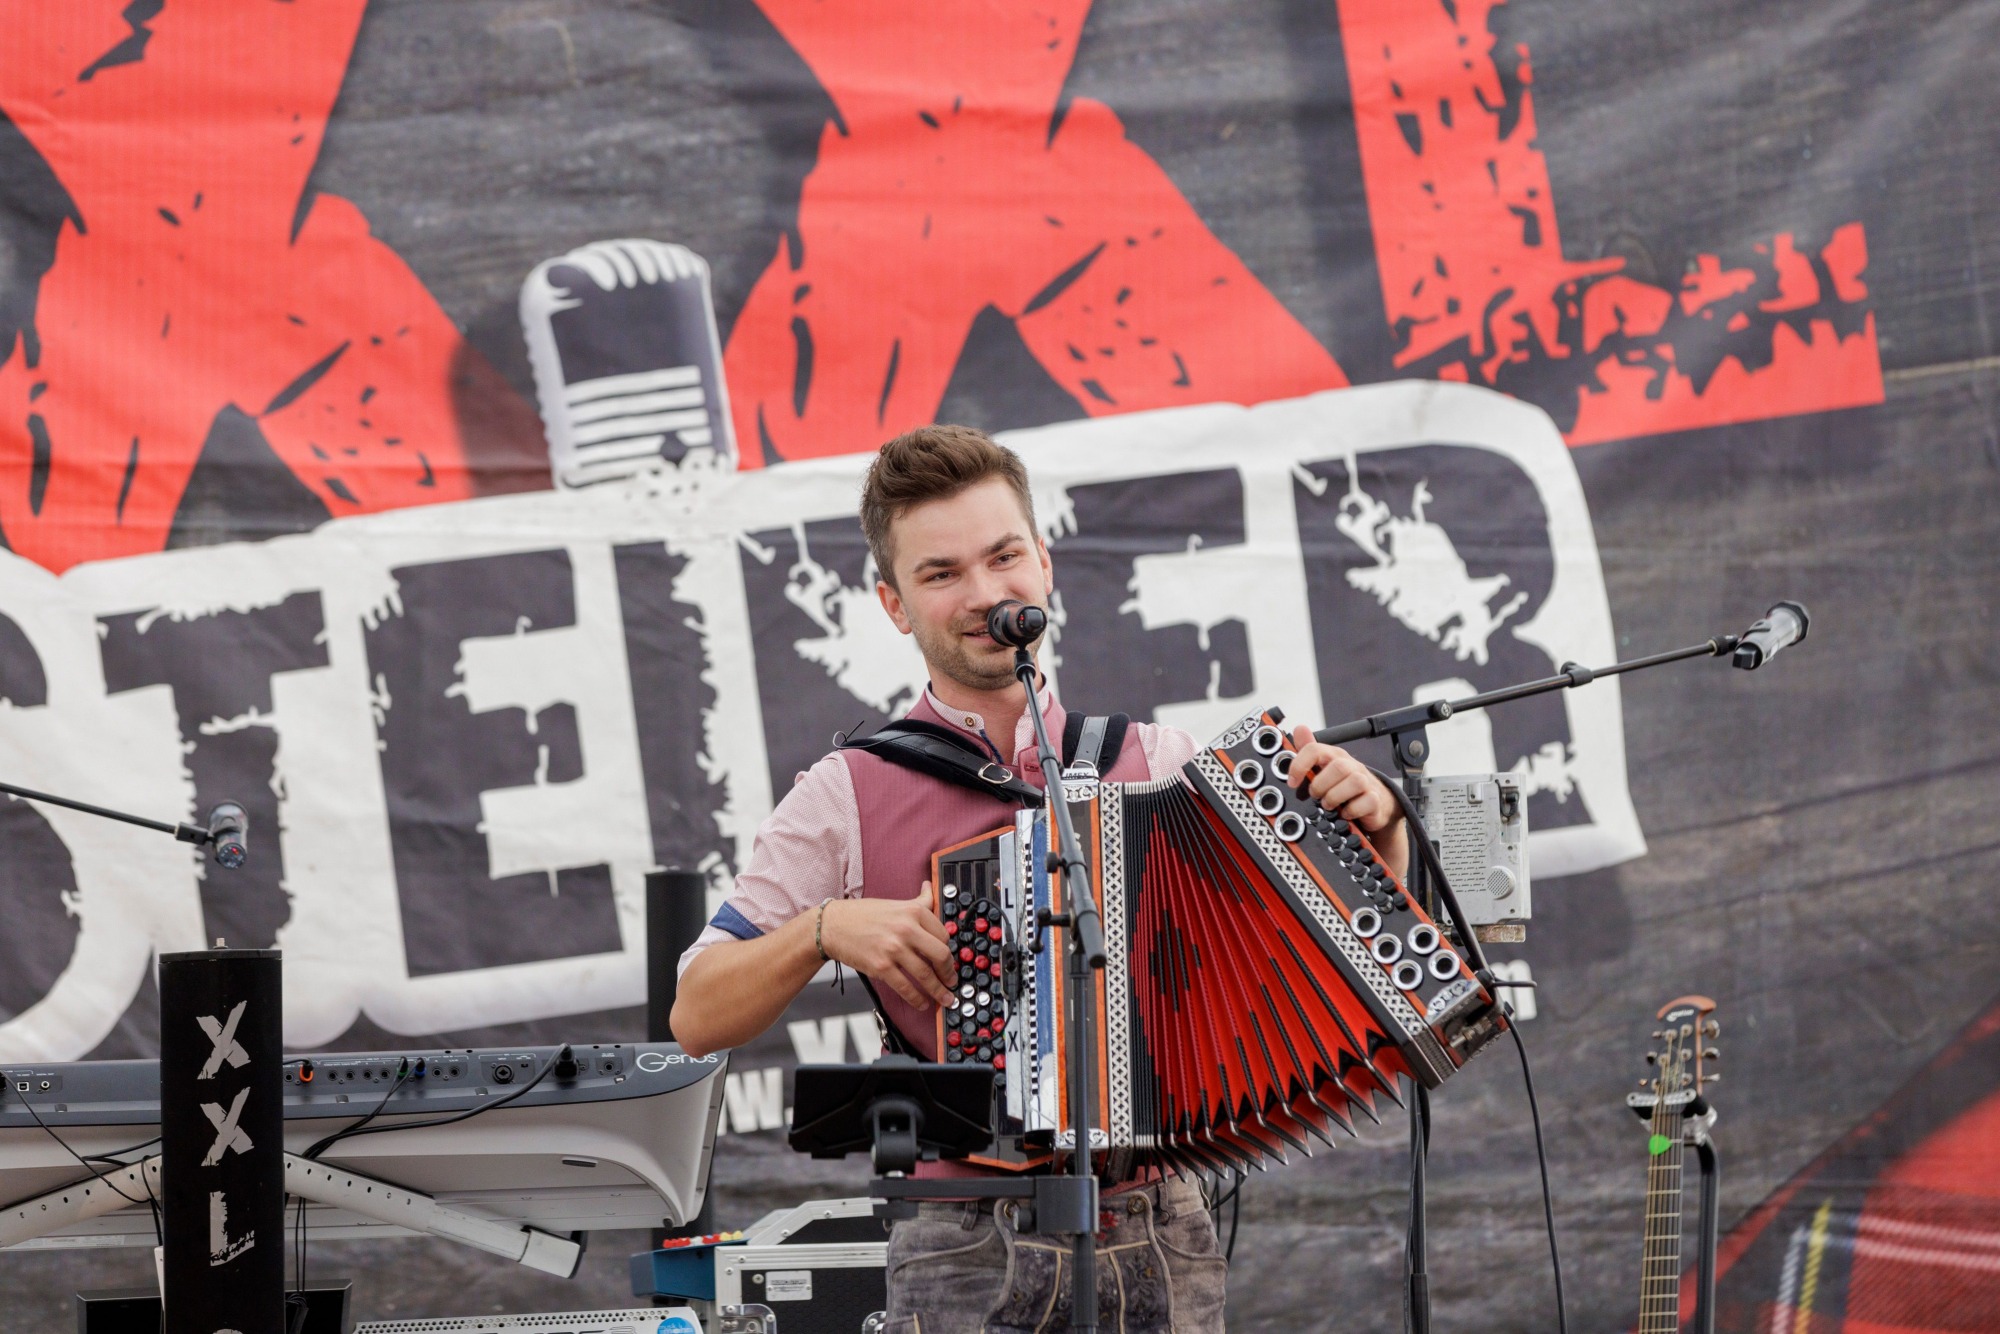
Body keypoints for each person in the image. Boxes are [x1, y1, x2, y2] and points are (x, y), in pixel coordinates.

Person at [672, 424, 1410, 1333]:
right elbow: (697, 1012)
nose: (985, 594)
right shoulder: (844, 793)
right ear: (895, 605)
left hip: (1161, 1222)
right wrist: (824, 926)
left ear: (1045, 564)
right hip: (962, 1241)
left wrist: (1378, 833)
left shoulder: (1160, 760)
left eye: (1003, 557)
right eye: (941, 574)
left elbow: (1319, 961)